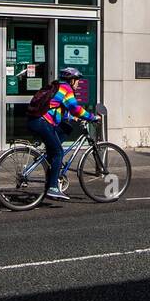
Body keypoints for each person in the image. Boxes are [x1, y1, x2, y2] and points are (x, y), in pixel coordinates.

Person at [26, 66, 97, 201]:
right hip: (42, 123)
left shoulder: (57, 86)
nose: (78, 84)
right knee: (59, 152)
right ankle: (53, 188)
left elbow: (55, 109)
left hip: (36, 121)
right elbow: (75, 108)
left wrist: (70, 118)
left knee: (67, 128)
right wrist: (92, 117)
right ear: (71, 80)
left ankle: (50, 158)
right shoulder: (66, 89)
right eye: (77, 81)